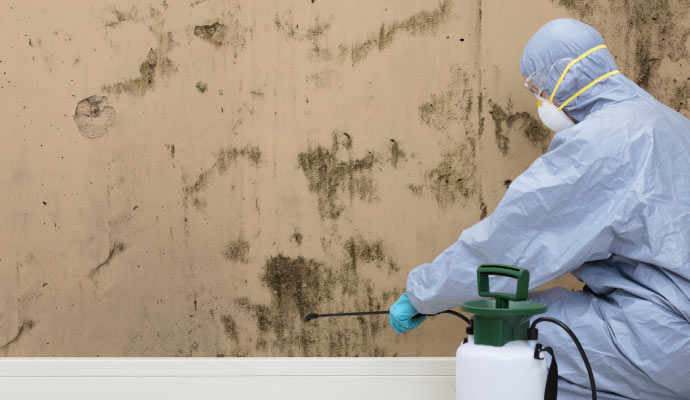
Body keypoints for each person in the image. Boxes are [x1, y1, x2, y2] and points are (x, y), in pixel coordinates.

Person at [389, 18, 690, 400]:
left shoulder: (600, 143)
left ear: (564, 76)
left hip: (667, 335)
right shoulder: (668, 121)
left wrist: (423, 294)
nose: (540, 100)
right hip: (669, 320)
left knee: (514, 338)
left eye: (538, 89)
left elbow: (513, 245)